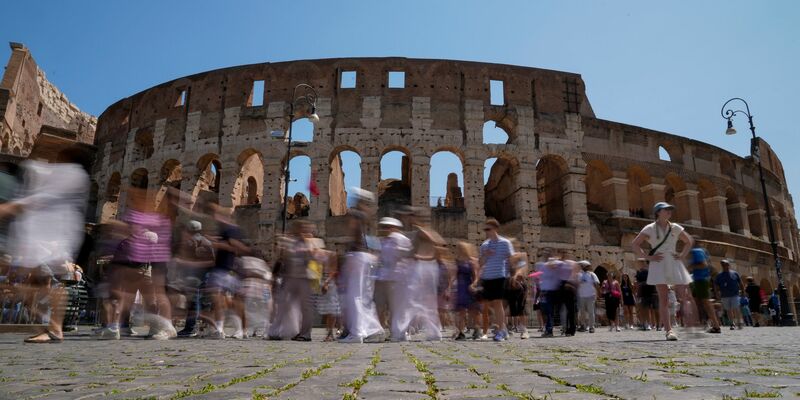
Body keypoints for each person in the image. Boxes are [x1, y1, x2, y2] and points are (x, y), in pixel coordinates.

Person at [0, 146, 90, 343]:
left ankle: (53, 328)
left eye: (61, 156)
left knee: (42, 283)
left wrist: (13, 207)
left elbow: (46, 197)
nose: (56, 160)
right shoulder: (71, 174)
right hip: (48, 236)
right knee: (37, 281)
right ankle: (51, 327)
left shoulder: (73, 174)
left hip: (53, 238)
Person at [631, 202, 694, 341]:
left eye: (670, 209)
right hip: (658, 262)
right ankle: (669, 330)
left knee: (684, 294)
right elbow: (635, 244)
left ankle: (690, 325)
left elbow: (688, 241)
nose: (669, 212)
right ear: (658, 212)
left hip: (673, 260)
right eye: (666, 210)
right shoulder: (650, 228)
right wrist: (648, 257)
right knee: (663, 298)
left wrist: (682, 255)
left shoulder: (675, 227)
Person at [391, 226, 445, 342]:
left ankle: (402, 332)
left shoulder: (423, 232)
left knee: (413, 302)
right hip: (419, 268)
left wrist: (420, 257)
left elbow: (439, 246)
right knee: (418, 302)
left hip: (424, 268)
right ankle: (432, 332)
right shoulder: (416, 234)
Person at [268, 220, 319, 341]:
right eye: (301, 228)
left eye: (305, 228)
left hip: (306, 279)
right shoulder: (291, 242)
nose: (303, 230)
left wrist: (307, 243)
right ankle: (276, 331)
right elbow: (283, 258)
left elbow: (317, 258)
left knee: (306, 308)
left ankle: (305, 334)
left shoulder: (313, 242)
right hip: (290, 278)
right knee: (283, 304)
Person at [476, 218, 514, 341]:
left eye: (488, 229)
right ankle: (503, 328)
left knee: (497, 303)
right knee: (489, 305)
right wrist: (485, 255)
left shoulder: (505, 243)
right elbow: (480, 263)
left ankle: (500, 331)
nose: (486, 231)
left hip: (499, 276)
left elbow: (511, 259)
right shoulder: (484, 245)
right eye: (485, 229)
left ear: (495, 229)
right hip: (487, 277)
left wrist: (512, 275)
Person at [375, 217, 410, 330]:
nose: (382, 229)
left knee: (395, 306)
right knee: (380, 304)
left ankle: (398, 329)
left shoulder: (402, 240)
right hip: (382, 276)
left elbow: (406, 257)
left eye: (384, 227)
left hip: (396, 276)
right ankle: (381, 328)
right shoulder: (383, 241)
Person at [688, 247, 721, 333]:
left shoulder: (696, 251)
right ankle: (707, 323)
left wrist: (690, 267)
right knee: (700, 303)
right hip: (699, 280)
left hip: (701, 280)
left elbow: (703, 264)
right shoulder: (700, 251)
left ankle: (716, 326)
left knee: (706, 303)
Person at [452, 242, 480, 340]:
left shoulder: (471, 261)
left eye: (460, 247)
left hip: (469, 287)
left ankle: (477, 329)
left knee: (473, 310)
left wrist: (473, 284)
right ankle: (461, 332)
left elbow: (476, 276)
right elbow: (454, 276)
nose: (458, 249)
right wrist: (449, 287)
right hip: (460, 288)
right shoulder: (457, 261)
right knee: (461, 311)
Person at [506, 242, 530, 339]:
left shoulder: (521, 256)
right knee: (509, 308)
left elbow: (523, 269)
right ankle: (508, 328)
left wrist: (516, 276)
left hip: (520, 285)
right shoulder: (508, 258)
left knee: (521, 308)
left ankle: (524, 330)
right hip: (509, 284)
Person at [713, 259, 744, 330]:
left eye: (726, 264)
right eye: (723, 265)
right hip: (725, 295)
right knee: (728, 310)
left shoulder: (735, 273)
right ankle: (732, 323)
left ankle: (739, 322)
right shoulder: (719, 275)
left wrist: (743, 291)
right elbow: (716, 285)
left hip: (734, 294)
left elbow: (740, 283)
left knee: (736, 308)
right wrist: (717, 293)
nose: (724, 266)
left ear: (728, 265)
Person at [576, 261, 599, 333]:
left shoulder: (592, 274)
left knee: (590, 312)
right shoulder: (579, 275)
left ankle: (591, 327)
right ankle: (583, 325)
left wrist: (597, 294)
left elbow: (597, 284)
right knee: (581, 312)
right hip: (581, 296)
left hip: (590, 296)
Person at [634, 259, 657, 331]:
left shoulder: (650, 271)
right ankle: (644, 323)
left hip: (650, 292)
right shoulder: (639, 273)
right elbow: (637, 284)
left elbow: (653, 282)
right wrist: (637, 294)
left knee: (650, 309)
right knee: (643, 309)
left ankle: (651, 324)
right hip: (643, 293)